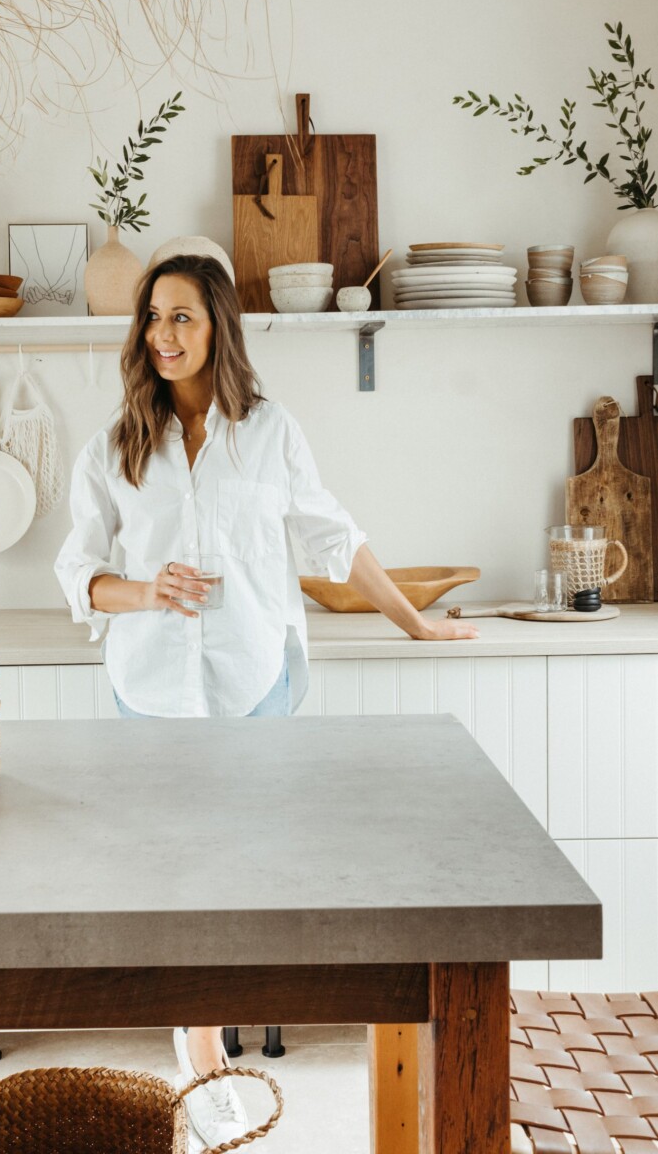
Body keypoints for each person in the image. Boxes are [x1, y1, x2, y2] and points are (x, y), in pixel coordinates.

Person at [55, 253, 479, 1151]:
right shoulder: (115, 446)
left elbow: (335, 538)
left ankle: (199, 1036)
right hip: (153, 690)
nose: (162, 336)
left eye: (182, 319)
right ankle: (203, 1053)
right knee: (179, 877)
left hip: (254, 681)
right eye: (153, 319)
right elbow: (78, 573)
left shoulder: (271, 431)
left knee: (239, 874)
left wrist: (415, 625)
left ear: (217, 329)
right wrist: (144, 592)